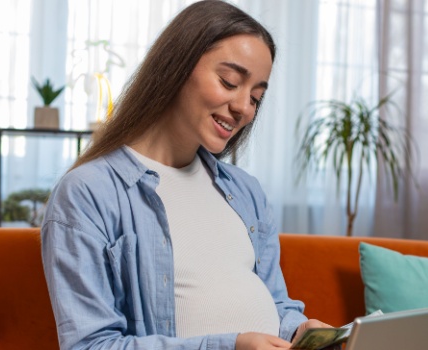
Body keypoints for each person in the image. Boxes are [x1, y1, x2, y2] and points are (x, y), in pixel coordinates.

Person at [40, 1, 332, 349]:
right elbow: (90, 345)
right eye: (229, 82)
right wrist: (230, 346)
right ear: (177, 66)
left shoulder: (246, 191)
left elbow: (276, 304)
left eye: (256, 97)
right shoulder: (89, 193)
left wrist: (300, 332)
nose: (243, 108)